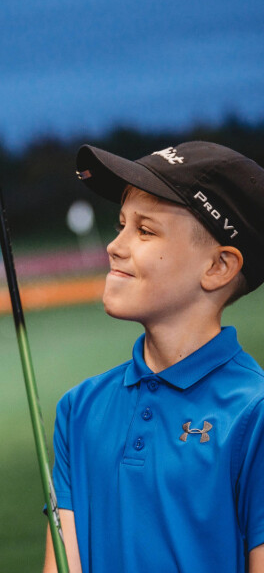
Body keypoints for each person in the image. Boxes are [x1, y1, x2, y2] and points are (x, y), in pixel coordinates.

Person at [43, 141, 264, 573]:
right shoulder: (78, 409)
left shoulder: (254, 414)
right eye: (121, 224)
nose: (114, 245)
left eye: (145, 230)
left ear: (219, 267)